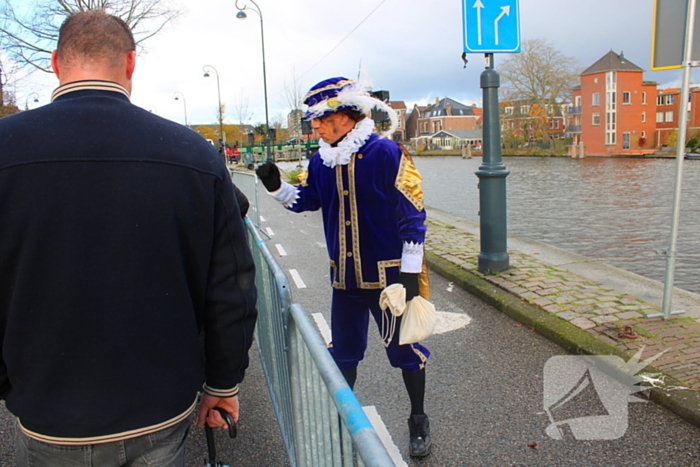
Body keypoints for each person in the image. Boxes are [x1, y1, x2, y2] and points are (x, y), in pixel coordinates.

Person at [0, 10, 257, 466]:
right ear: (132, 63)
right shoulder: (194, 155)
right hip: (158, 408)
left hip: (47, 412)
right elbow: (230, 286)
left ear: (56, 63)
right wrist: (222, 383)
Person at [256, 77, 432, 457]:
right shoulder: (322, 160)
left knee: (405, 353)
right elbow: (308, 200)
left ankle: (418, 418)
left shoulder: (387, 153)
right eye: (311, 121)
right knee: (344, 355)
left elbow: (413, 214)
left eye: (319, 118)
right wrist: (277, 189)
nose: (313, 127)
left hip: (389, 281)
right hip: (345, 279)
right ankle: (340, 424)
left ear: (346, 114)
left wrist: (410, 274)